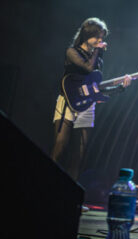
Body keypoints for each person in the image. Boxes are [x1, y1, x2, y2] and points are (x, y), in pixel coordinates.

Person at [51, 18, 131, 195]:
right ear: (86, 35)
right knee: (60, 146)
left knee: (79, 155)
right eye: (97, 37)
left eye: (102, 37)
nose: (100, 41)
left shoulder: (97, 59)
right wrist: (97, 51)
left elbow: (95, 88)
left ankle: (70, 195)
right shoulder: (72, 52)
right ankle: (49, 188)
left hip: (87, 107)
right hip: (67, 104)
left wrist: (120, 87)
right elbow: (87, 68)